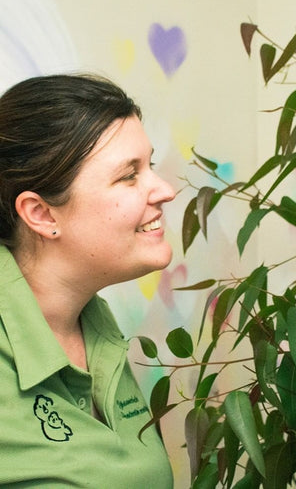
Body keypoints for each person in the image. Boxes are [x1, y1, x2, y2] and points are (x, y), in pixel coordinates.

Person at [0, 74, 176, 487]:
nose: (165, 190)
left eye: (150, 165)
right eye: (128, 175)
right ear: (42, 214)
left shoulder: (94, 322)